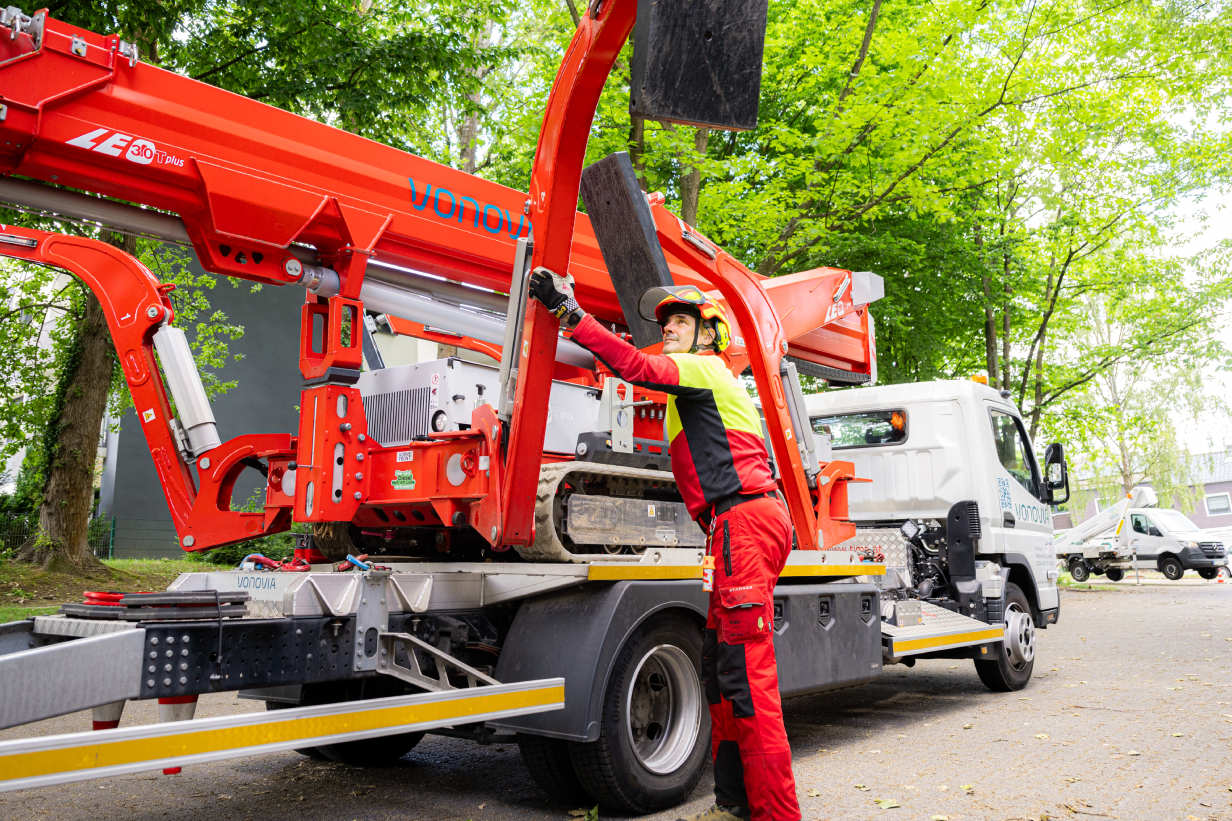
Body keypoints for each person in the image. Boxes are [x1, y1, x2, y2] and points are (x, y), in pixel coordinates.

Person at [528, 268, 801, 821]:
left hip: (743, 523)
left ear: (709, 335)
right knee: (723, 676)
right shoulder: (696, 389)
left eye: (680, 321)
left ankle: (777, 814)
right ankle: (734, 804)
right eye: (666, 322)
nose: (668, 328)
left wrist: (568, 313)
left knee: (749, 683)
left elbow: (634, 366)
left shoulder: (704, 368)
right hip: (737, 526)